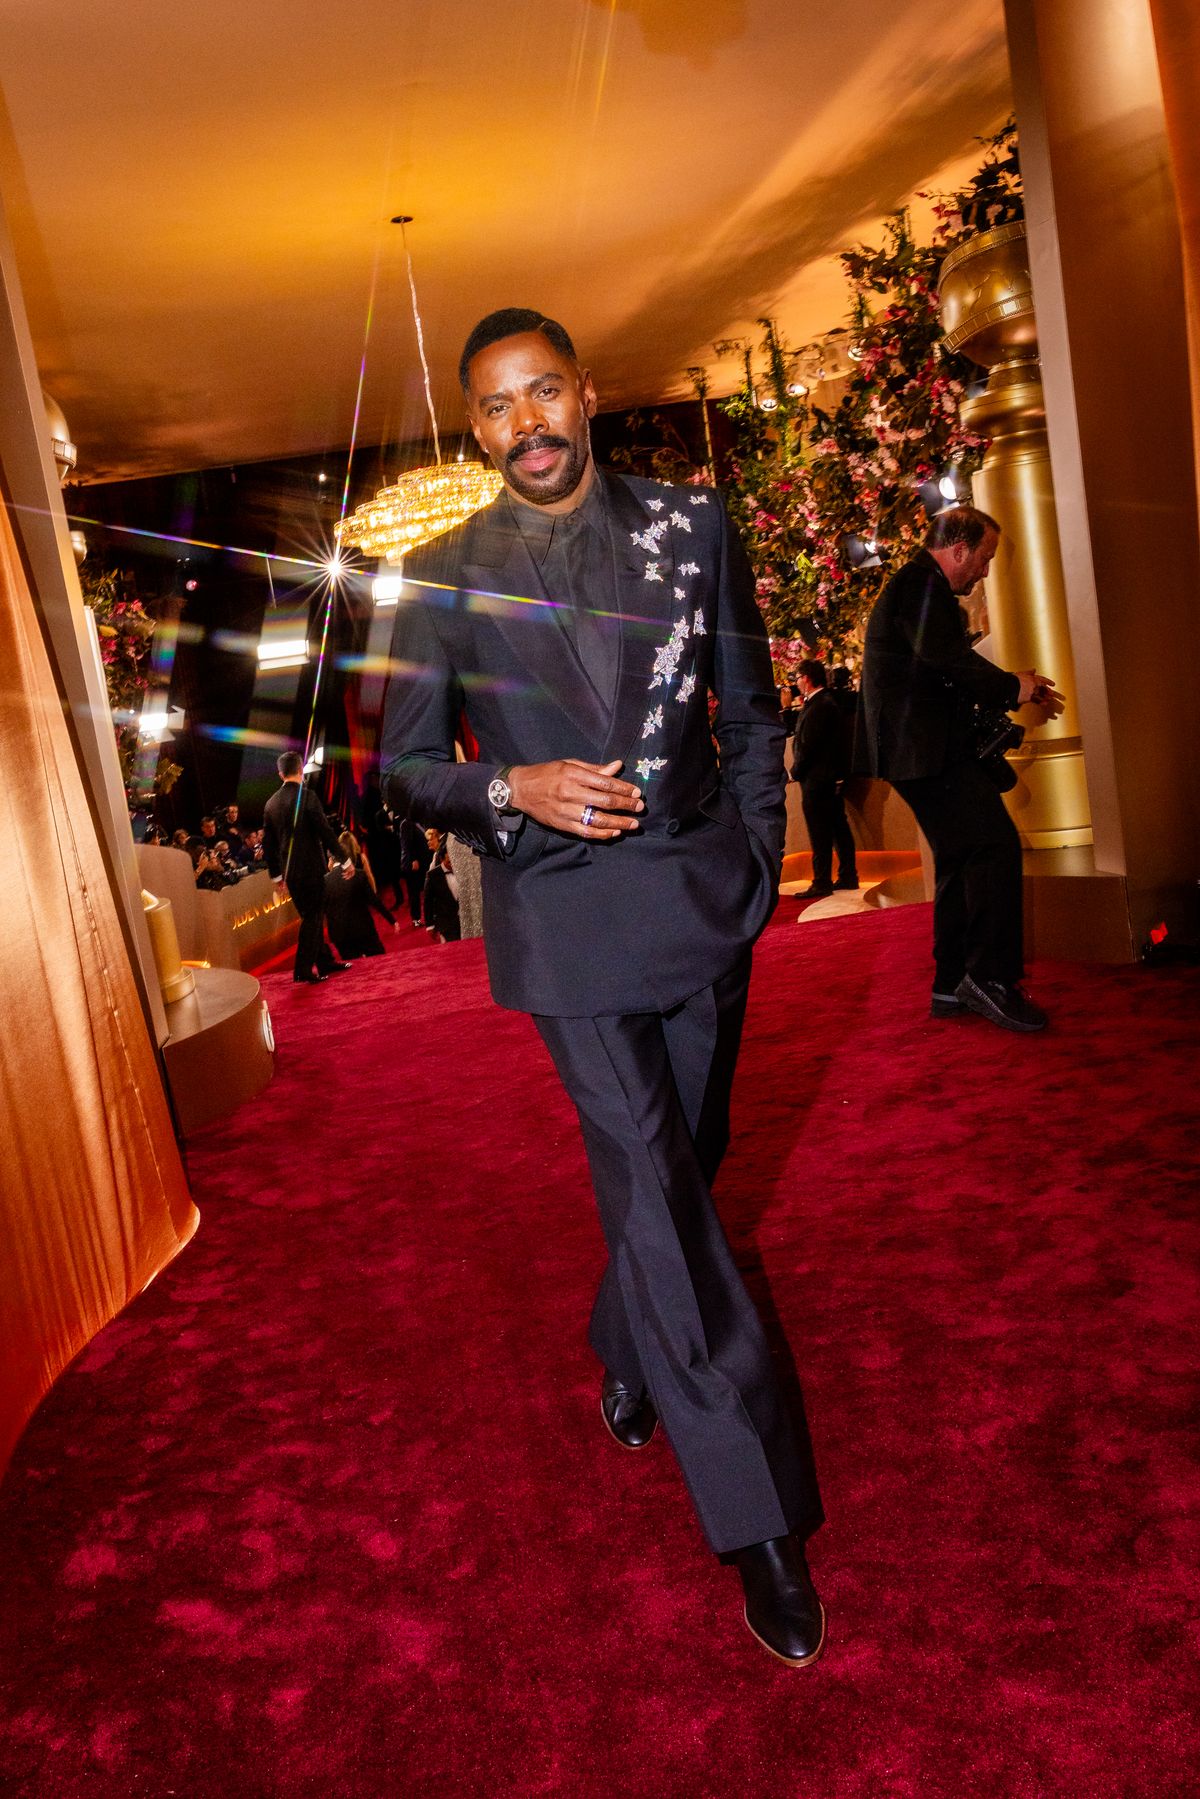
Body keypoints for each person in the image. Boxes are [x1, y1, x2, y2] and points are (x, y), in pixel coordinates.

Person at [381, 307, 824, 1667]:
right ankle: (756, 1518)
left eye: (545, 392)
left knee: (688, 1159)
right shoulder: (439, 579)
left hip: (701, 897)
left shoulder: (692, 526)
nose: (527, 423)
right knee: (651, 1176)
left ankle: (624, 1344)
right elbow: (405, 767)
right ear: (477, 428)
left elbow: (748, 709)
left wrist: (754, 857)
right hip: (565, 927)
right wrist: (504, 782)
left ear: (584, 393)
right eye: (498, 406)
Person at [859, 505, 1063, 1029]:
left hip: (918, 751)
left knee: (959, 857)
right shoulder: (922, 584)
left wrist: (1009, 686)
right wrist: (1010, 686)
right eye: (985, 558)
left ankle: (951, 983)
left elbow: (936, 665)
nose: (986, 571)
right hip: (926, 751)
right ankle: (989, 978)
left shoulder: (917, 585)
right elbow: (943, 659)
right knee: (994, 845)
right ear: (959, 549)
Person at [263, 751, 354, 984]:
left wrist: (276, 876)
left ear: (280, 773)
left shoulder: (270, 804)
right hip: (312, 869)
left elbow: (269, 844)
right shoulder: (308, 796)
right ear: (301, 770)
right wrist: (345, 859)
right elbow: (326, 833)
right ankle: (302, 970)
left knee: (310, 916)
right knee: (313, 917)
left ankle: (324, 961)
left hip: (290, 874)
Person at [791, 659, 858, 897]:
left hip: (818, 779)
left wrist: (795, 771)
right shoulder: (823, 703)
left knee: (820, 830)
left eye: (797, 677)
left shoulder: (821, 705)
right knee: (837, 826)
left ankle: (822, 880)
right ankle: (848, 875)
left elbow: (809, 744)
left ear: (807, 678)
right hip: (825, 778)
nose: (796, 683)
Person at [323, 831, 398, 960]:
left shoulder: (323, 882)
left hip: (339, 935)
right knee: (380, 961)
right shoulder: (358, 874)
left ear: (330, 859)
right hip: (362, 929)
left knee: (354, 972)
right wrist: (392, 920)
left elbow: (322, 911)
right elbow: (374, 900)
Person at [420, 828, 461, 943]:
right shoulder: (433, 876)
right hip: (446, 925)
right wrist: (430, 925)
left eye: (454, 861)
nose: (452, 865)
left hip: (464, 922)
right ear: (442, 859)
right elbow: (427, 901)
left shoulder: (462, 871)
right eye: (449, 862)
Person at [396, 812, 432, 926]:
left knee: (426, 889)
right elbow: (406, 844)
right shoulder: (406, 824)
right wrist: (413, 859)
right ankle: (416, 918)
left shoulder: (420, 821)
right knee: (414, 892)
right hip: (412, 865)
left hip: (423, 862)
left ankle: (430, 915)